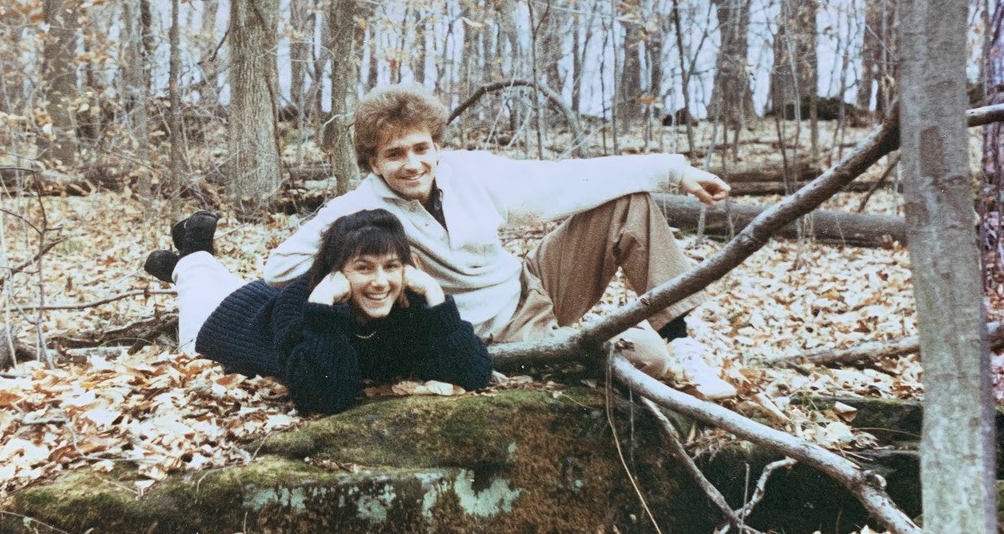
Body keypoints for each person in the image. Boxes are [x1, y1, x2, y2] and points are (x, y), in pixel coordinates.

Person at [263, 84, 737, 399]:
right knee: (647, 359)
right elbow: (279, 267)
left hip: (533, 284)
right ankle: (600, 352)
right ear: (372, 162)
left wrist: (676, 172)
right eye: (395, 154)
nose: (413, 164)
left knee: (627, 205)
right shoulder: (360, 211)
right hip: (492, 332)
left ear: (436, 145)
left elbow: (572, 179)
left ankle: (685, 344)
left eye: (422, 148)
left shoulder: (472, 171)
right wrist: (366, 279)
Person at [143, 208, 492, 415]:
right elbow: (326, 397)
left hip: (265, 301)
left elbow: (473, 374)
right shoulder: (307, 301)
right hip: (224, 324)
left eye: (391, 266)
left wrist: (434, 295)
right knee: (198, 285)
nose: (381, 282)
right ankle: (192, 255)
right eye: (364, 268)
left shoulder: (408, 298)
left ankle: (188, 261)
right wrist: (324, 309)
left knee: (213, 278)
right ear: (336, 272)